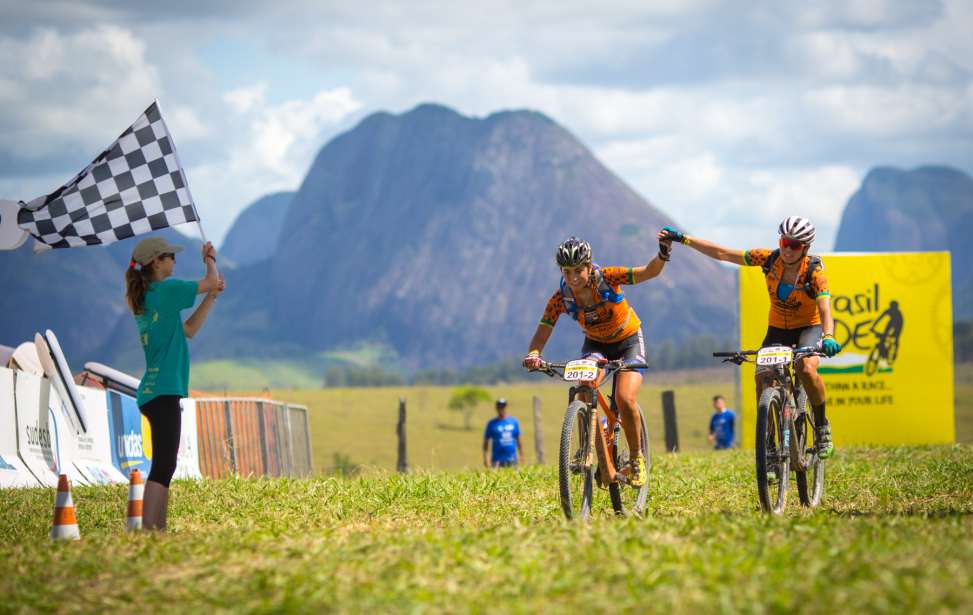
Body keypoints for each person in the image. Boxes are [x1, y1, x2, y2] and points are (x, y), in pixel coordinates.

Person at [659, 217, 840, 458]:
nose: (787, 249)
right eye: (784, 242)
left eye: (794, 245)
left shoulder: (815, 272)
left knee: (805, 368)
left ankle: (821, 426)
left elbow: (825, 308)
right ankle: (771, 447)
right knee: (763, 376)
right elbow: (723, 254)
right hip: (778, 329)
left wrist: (828, 336)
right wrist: (684, 239)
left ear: (805, 248)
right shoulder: (768, 259)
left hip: (810, 326)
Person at [522, 235, 671, 486]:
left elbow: (648, 272)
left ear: (589, 266)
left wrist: (663, 253)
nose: (572, 278)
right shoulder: (560, 298)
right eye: (566, 272)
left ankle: (636, 459)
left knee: (624, 398)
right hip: (596, 345)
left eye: (578, 270)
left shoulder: (609, 278)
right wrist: (535, 353)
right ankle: (601, 460)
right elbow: (542, 332)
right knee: (584, 387)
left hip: (628, 341)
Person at [125, 236, 224, 530]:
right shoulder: (166, 290)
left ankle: (158, 530)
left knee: (164, 464)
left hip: (155, 391)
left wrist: (212, 296)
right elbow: (210, 279)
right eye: (170, 256)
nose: (174, 260)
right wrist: (210, 258)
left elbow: (189, 330)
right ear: (156, 262)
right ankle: (152, 531)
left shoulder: (153, 297)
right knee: (164, 465)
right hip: (164, 390)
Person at [483, 398, 523, 468]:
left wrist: (521, 455)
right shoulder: (491, 424)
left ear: (506, 407)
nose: (501, 408)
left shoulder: (513, 422)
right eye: (499, 406)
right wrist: (486, 458)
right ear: (496, 408)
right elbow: (486, 443)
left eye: (503, 406)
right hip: (497, 461)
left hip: (512, 459)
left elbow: (519, 440)